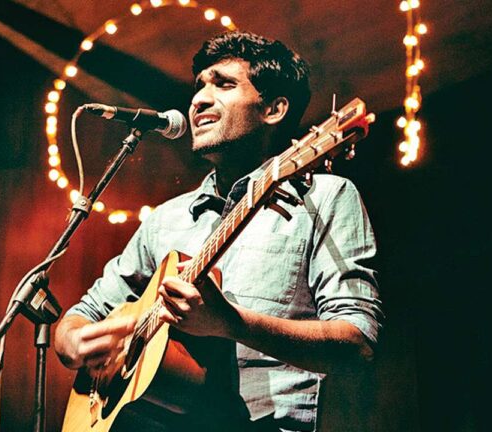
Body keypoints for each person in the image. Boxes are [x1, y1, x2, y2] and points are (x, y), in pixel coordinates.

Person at [54, 31, 383, 432]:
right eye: (199, 86)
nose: (199, 100)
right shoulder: (165, 219)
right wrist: (74, 342)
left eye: (224, 84)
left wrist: (231, 323)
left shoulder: (326, 197)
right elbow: (80, 317)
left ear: (275, 109)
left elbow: (358, 345)